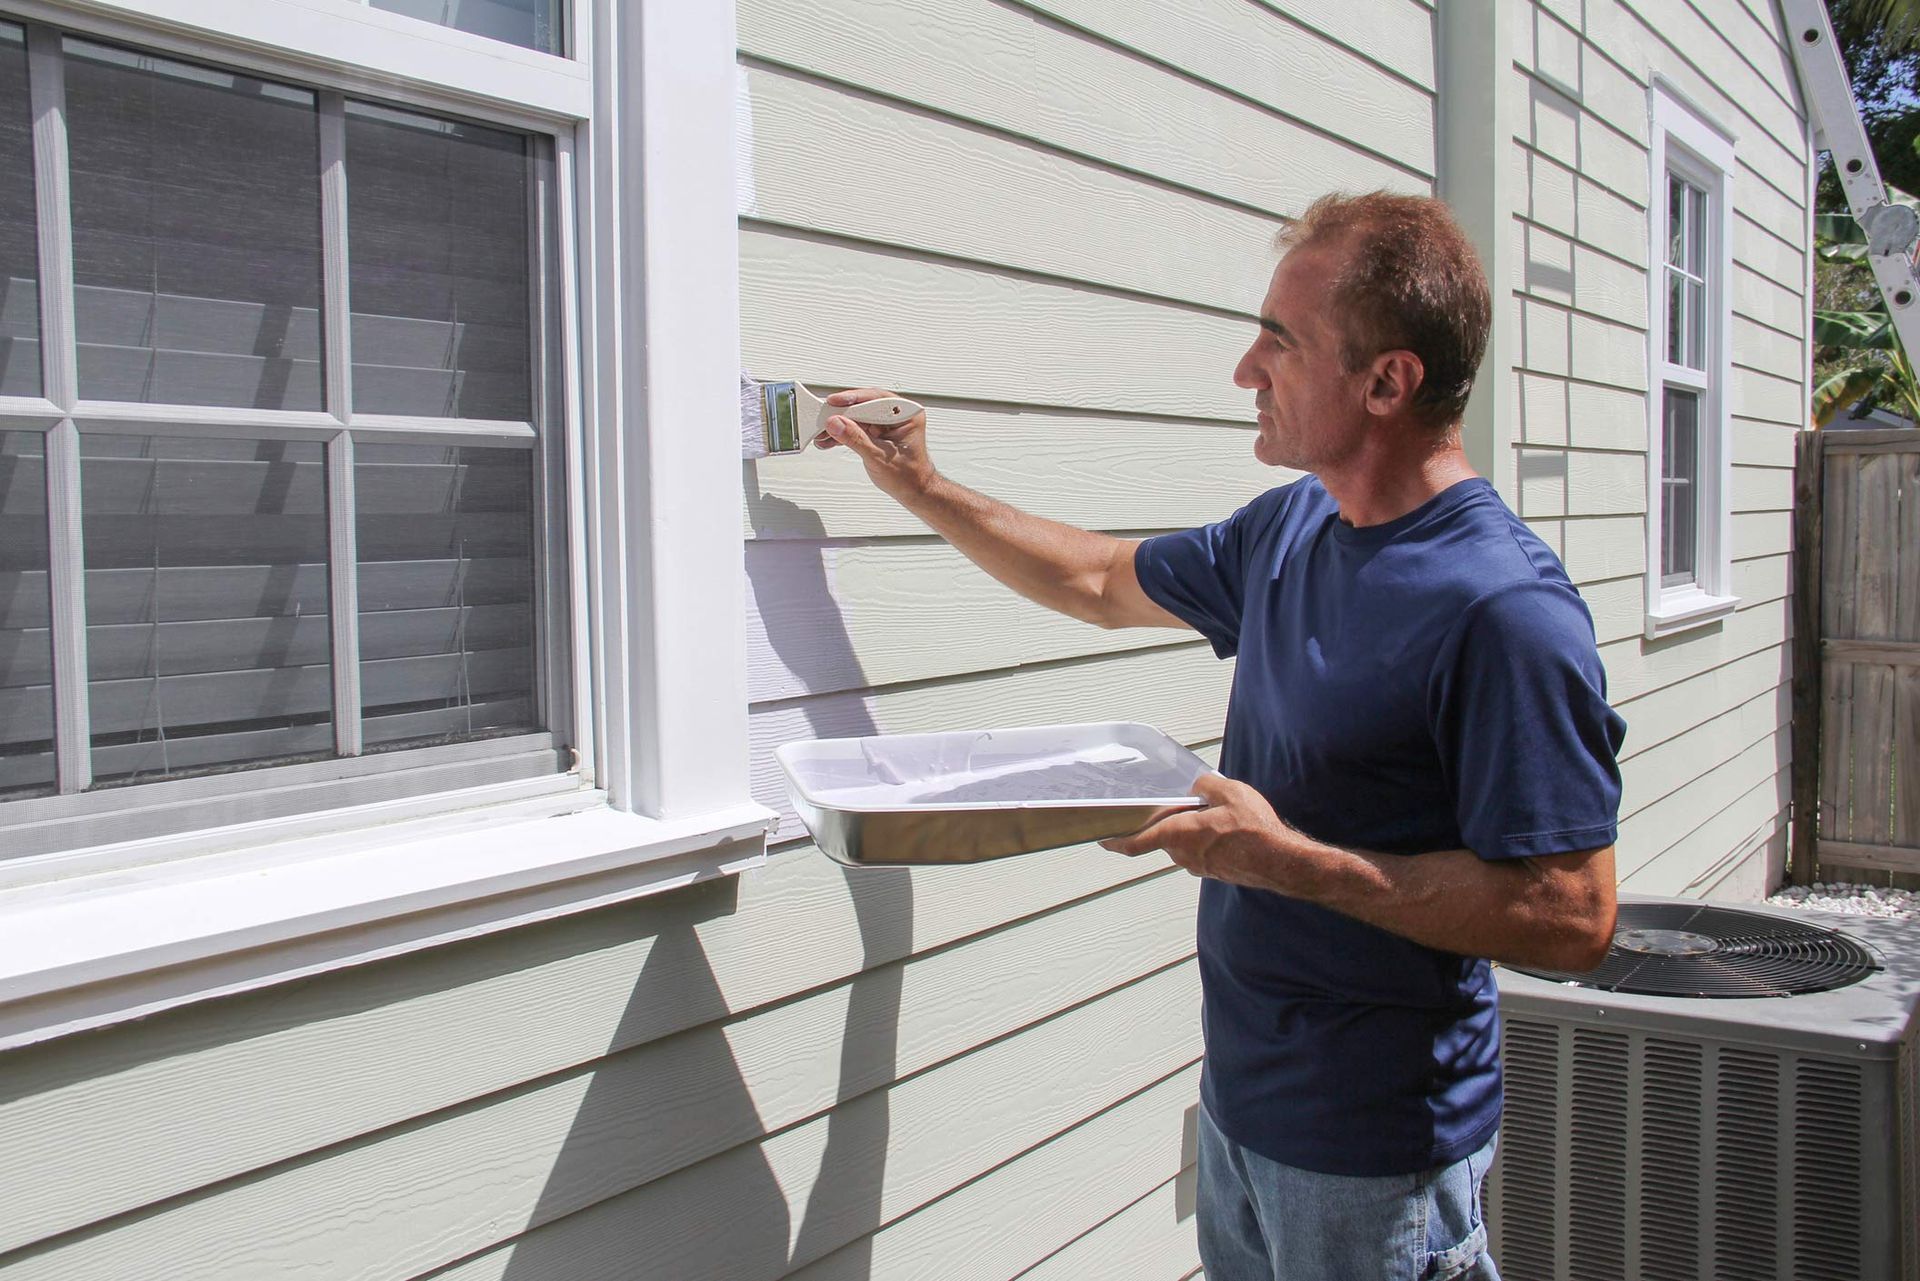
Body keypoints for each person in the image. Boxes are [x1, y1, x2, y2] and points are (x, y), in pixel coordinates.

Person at [813, 190, 1625, 1281]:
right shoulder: (1296, 525)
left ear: (1388, 382)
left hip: (1377, 1154)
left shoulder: (1500, 610)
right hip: (1247, 1106)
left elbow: (1572, 917)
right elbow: (1100, 580)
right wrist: (919, 483)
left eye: (1280, 345)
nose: (1248, 371)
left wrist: (1290, 864)